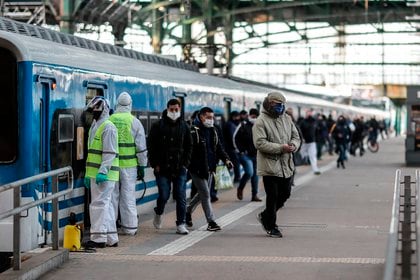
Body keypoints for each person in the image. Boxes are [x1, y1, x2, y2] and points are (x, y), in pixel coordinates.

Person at [253, 92, 301, 238]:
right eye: (276, 104)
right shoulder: (261, 121)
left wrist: (293, 145)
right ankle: (271, 226)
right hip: (269, 166)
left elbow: (296, 136)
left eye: (282, 104)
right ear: (269, 103)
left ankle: (265, 216)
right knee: (272, 196)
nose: (280, 107)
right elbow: (260, 143)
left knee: (285, 193)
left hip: (286, 165)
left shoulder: (287, 118)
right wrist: (281, 148)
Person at [147, 99, 193, 235]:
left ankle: (181, 223)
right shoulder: (158, 126)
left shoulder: (184, 126)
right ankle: (159, 211)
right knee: (164, 194)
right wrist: (154, 164)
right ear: (167, 109)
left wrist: (185, 164)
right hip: (162, 168)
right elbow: (151, 146)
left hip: (180, 168)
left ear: (179, 110)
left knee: (180, 195)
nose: (174, 112)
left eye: (176, 110)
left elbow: (189, 146)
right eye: (171, 109)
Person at [186, 107, 233, 231]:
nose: (211, 120)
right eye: (208, 117)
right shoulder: (193, 131)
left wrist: (226, 159)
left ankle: (187, 210)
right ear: (201, 116)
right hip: (197, 169)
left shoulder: (214, 131)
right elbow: (188, 151)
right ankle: (211, 222)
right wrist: (189, 166)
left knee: (202, 194)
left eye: (212, 117)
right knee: (206, 195)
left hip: (210, 168)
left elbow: (219, 148)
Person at [109, 92, 147, 236]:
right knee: (128, 197)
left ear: (117, 104)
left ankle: (111, 228)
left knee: (112, 197)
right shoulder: (134, 122)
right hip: (129, 166)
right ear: (130, 104)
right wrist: (142, 166)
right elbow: (141, 147)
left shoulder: (110, 119)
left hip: (112, 166)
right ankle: (130, 228)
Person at [83, 96, 119, 248]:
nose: (93, 113)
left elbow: (109, 152)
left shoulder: (108, 127)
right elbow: (92, 152)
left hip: (104, 174)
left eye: (95, 110)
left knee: (98, 204)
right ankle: (111, 238)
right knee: (107, 205)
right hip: (96, 173)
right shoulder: (95, 125)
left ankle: (98, 238)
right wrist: (87, 174)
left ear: (103, 109)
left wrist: (103, 171)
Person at [233, 108, 261, 202]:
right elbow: (235, 138)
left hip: (256, 154)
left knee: (255, 175)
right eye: (253, 116)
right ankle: (240, 188)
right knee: (249, 172)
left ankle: (254, 195)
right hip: (245, 154)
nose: (255, 118)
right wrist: (240, 150)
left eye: (256, 117)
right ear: (249, 116)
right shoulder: (243, 125)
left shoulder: (260, 126)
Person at [299, 109, 321, 175]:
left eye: (310, 112)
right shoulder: (302, 122)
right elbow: (299, 131)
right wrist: (301, 138)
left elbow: (317, 131)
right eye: (308, 112)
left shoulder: (315, 122)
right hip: (304, 142)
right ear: (306, 113)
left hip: (312, 142)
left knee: (313, 156)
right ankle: (305, 159)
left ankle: (315, 169)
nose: (309, 114)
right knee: (302, 154)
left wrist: (317, 138)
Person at [223, 111, 241, 183]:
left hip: (228, 148)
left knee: (230, 163)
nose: (238, 118)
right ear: (233, 117)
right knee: (235, 163)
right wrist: (235, 147)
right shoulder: (230, 125)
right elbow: (232, 137)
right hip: (230, 148)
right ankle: (237, 177)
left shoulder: (229, 124)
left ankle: (228, 179)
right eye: (237, 116)